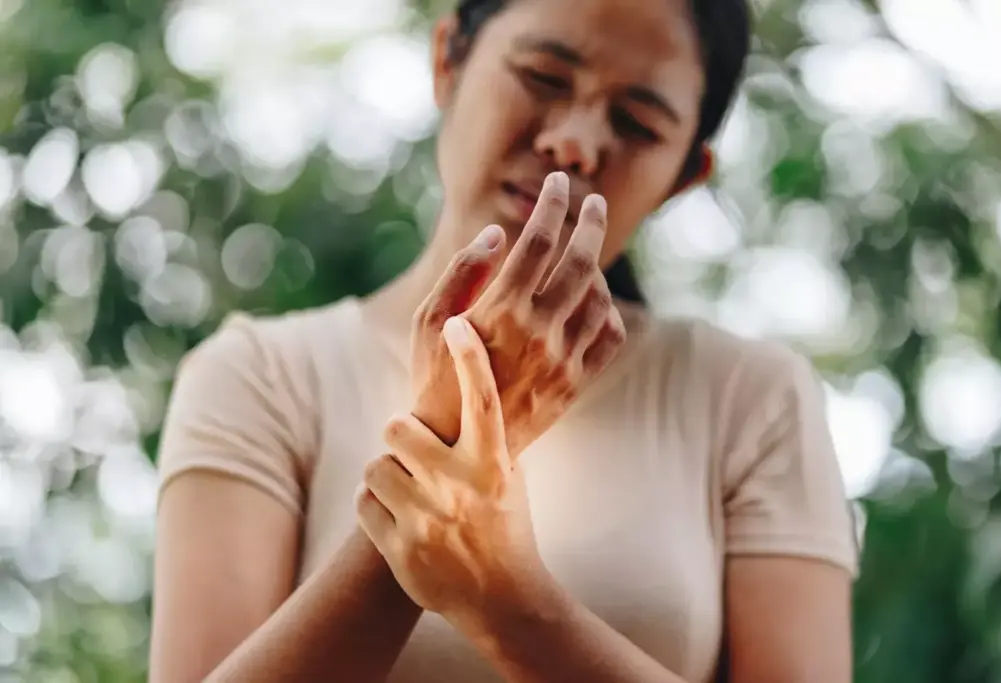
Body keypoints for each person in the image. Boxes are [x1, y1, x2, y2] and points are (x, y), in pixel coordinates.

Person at [149, 0, 858, 681]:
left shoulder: (750, 398)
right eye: (544, 78)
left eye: (637, 123)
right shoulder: (262, 376)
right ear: (447, 60)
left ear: (682, 178)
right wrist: (443, 452)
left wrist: (509, 601)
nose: (575, 142)